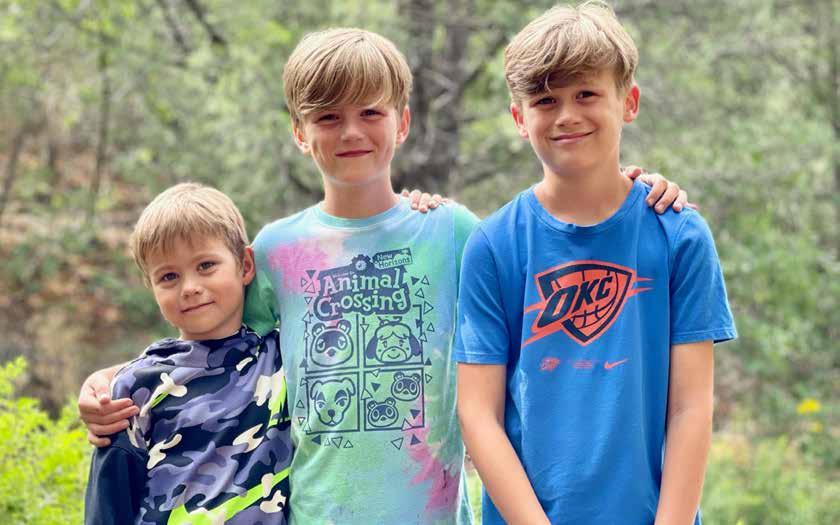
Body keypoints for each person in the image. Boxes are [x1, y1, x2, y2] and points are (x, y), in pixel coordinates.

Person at [79, 27, 688, 525]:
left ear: (402, 122)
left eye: (370, 112)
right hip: (314, 514)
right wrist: (108, 382)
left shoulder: (453, 233)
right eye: (327, 117)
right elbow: (211, 342)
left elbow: (555, 264)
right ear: (299, 132)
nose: (350, 131)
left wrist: (630, 189)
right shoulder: (276, 251)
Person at [454, 3, 737, 525]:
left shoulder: (678, 236)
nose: (567, 115)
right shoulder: (493, 245)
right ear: (519, 119)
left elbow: (691, 408)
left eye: (586, 94)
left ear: (628, 102)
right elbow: (478, 414)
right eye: (545, 100)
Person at [84, 183, 293, 524]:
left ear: (245, 265)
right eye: (169, 276)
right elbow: (107, 509)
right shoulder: (135, 388)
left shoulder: (284, 357)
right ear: (152, 288)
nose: (190, 287)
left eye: (206, 265)